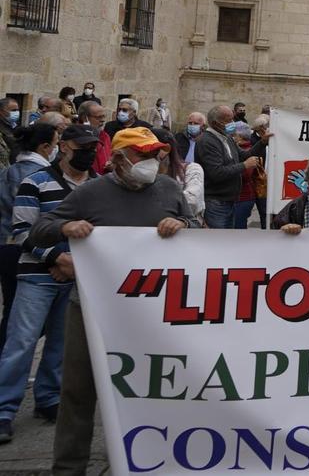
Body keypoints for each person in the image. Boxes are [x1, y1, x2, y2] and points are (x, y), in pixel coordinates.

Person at [28, 127, 198, 475]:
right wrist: (66, 227)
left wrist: (181, 223)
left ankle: (148, 462)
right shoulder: (91, 192)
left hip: (152, 312)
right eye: (142, 155)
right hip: (92, 309)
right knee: (78, 391)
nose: (151, 162)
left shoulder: (168, 188)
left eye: (155, 155)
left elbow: (196, 227)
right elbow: (39, 228)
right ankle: (69, 467)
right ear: (119, 159)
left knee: (153, 390)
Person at [0, 125, 100, 443]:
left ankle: (48, 398)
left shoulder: (98, 187)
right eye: (81, 146)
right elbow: (21, 229)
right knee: (22, 343)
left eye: (92, 146)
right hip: (38, 275)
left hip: (76, 278)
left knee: (60, 344)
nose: (88, 152)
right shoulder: (36, 182)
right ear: (64, 147)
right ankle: (4, 409)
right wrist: (56, 258)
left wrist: (74, 266)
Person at [0, 123, 59, 354]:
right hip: (22, 248)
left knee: (13, 309)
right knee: (25, 317)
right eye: (55, 143)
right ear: (45, 147)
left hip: (6, 246)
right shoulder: (35, 175)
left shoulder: (9, 171)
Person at [195, 105, 267, 229]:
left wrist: (262, 142)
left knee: (228, 241)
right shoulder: (207, 141)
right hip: (216, 203)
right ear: (215, 123)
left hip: (231, 201)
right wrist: (244, 165)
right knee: (218, 243)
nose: (232, 123)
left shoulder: (227, 138)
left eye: (232, 119)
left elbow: (244, 155)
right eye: (228, 120)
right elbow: (216, 173)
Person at [153, 128, 204, 220]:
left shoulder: (191, 169)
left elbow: (192, 202)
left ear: (165, 149)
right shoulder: (146, 171)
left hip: (185, 227)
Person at [75, 101, 111, 174]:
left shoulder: (105, 136)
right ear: (85, 118)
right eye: (99, 117)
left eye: (104, 116)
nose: (103, 120)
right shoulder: (76, 138)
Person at [0, 98, 19, 170]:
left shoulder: (14, 124)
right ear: (1, 111)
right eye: (13, 110)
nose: (16, 113)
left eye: (17, 110)